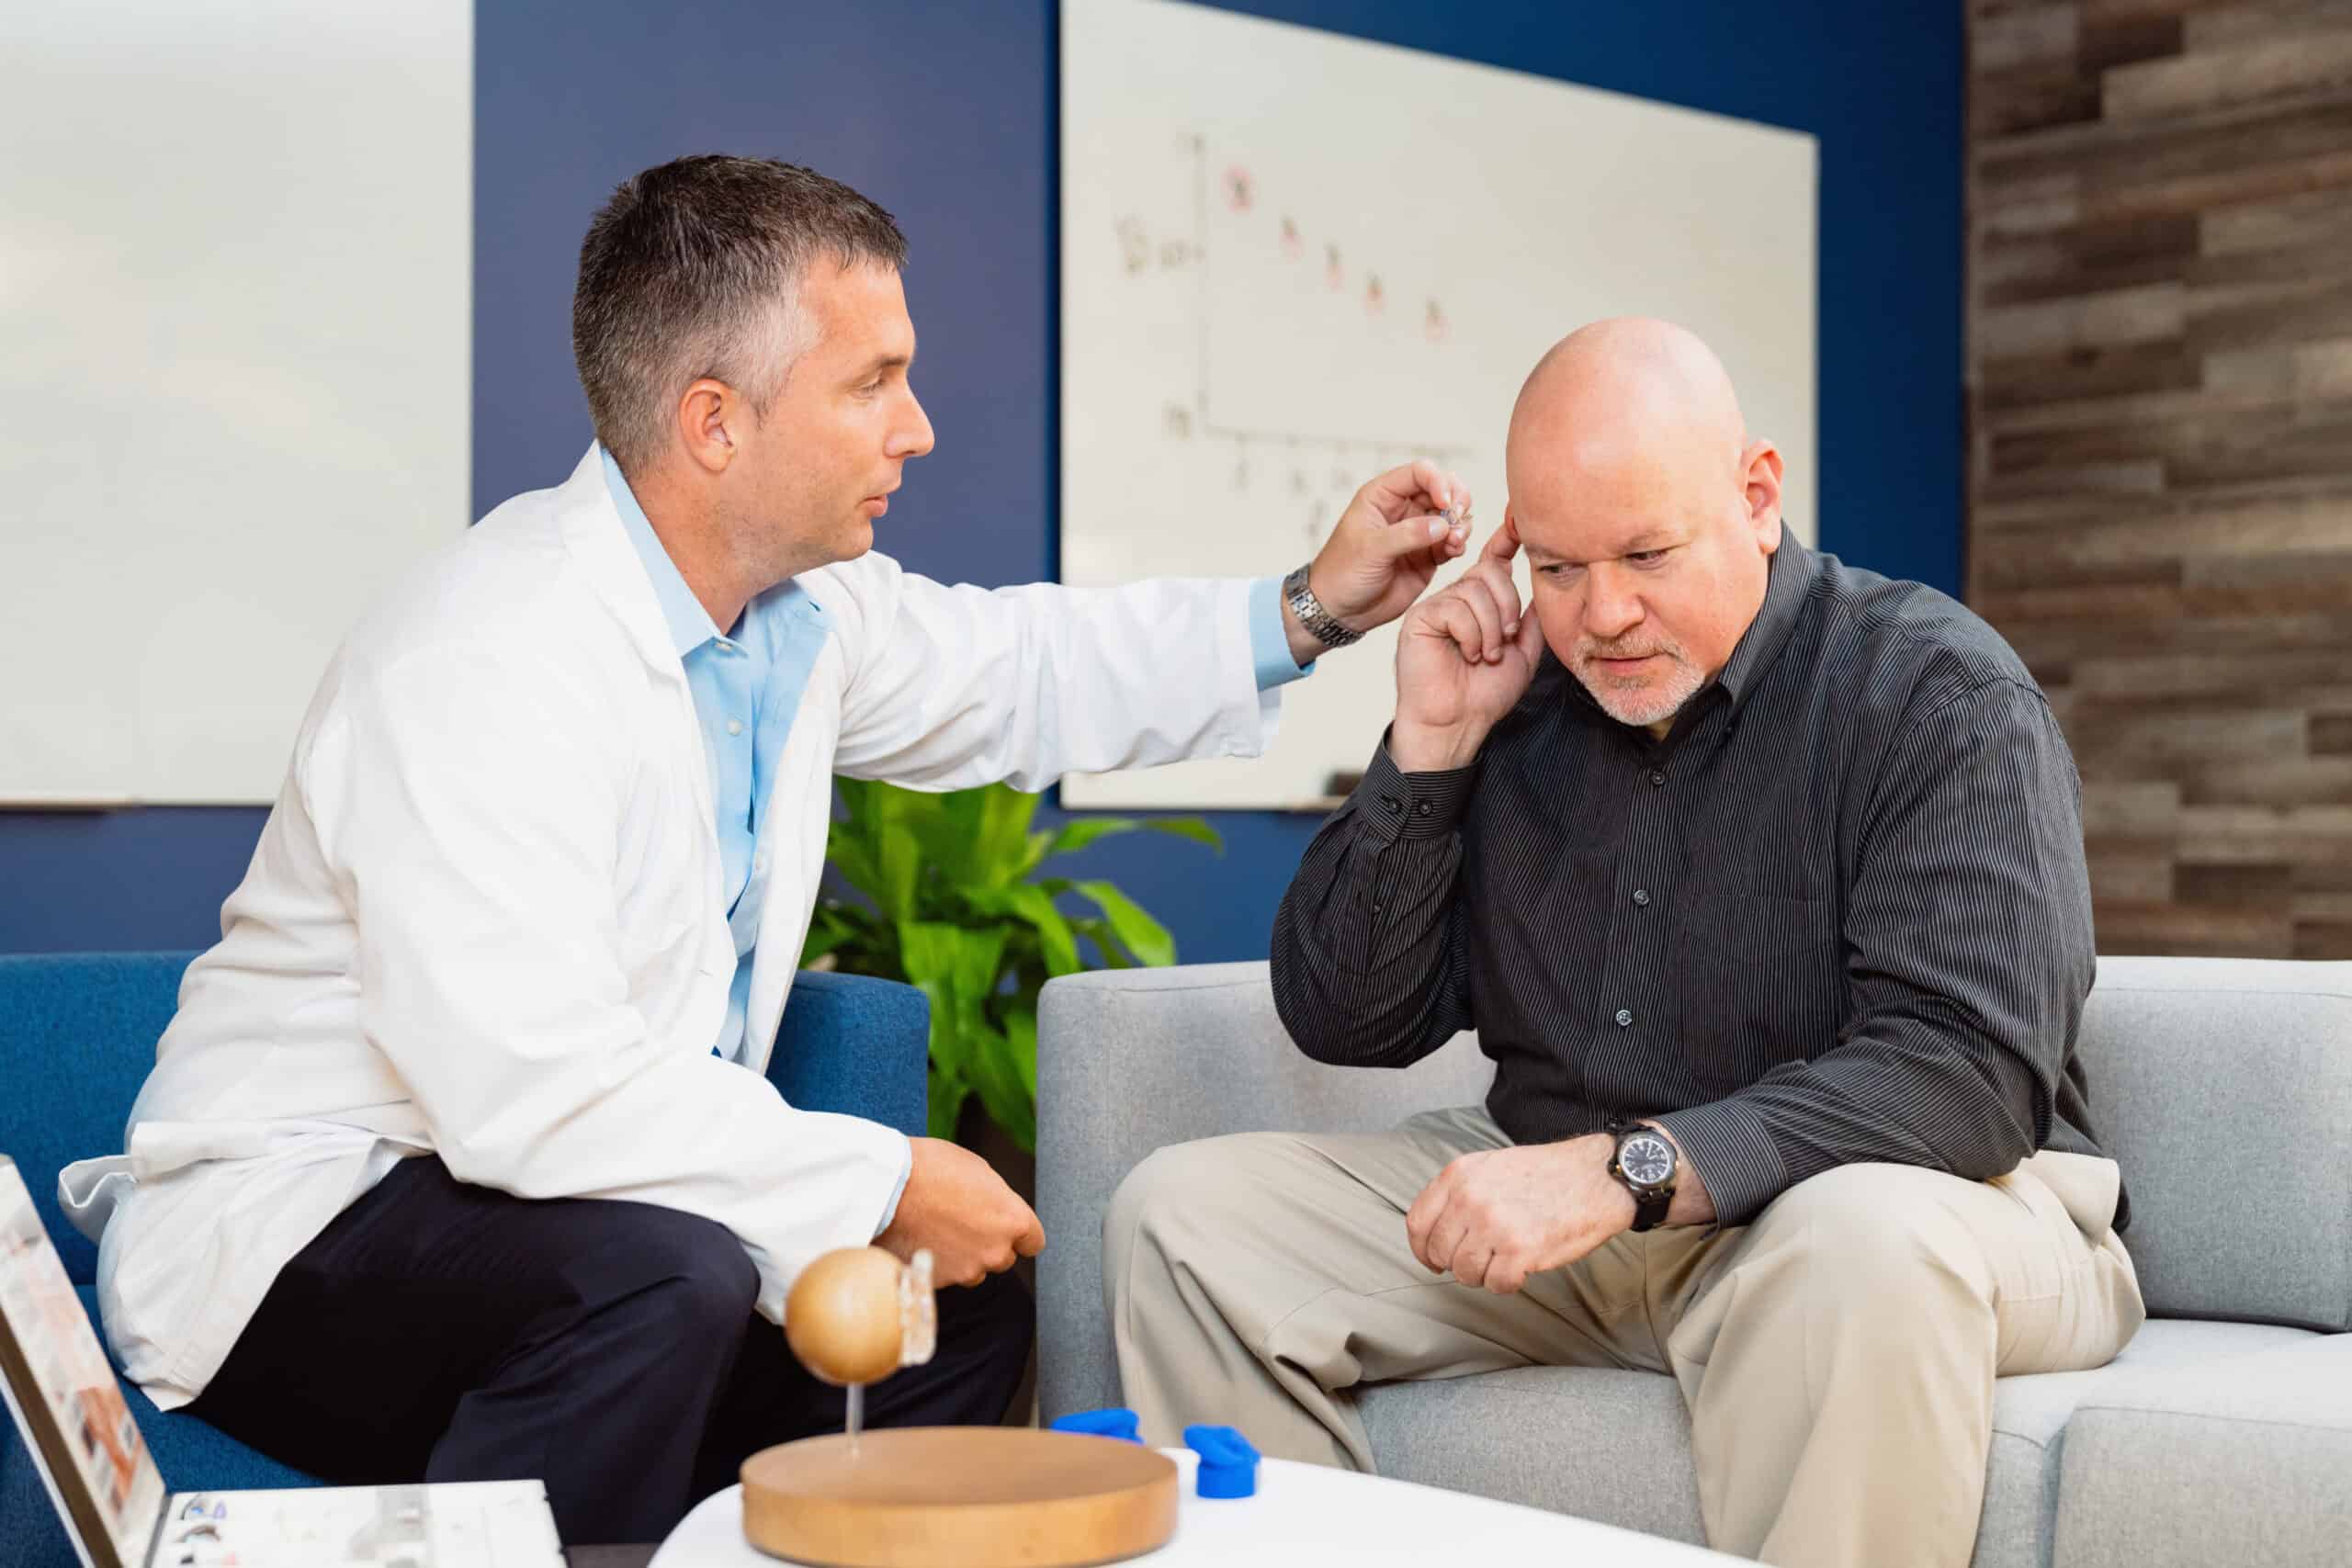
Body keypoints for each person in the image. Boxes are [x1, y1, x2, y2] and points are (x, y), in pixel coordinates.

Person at [57, 154, 1473, 1544]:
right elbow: (524, 1088)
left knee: (944, 1311)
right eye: (872, 384)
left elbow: (1021, 666)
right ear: (715, 422)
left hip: (555, 1203)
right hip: (311, 1222)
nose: (915, 428)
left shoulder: (798, 617)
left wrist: (1314, 605)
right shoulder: (485, 657)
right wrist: (879, 1178)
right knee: (656, 1279)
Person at [1105, 318, 2145, 1568]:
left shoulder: (1936, 696)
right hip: (1584, 1218)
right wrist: (1430, 747)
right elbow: (1344, 1017)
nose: (1603, 615)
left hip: (1906, 1207)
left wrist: (1625, 1170)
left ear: (1756, 496)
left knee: (1860, 1246)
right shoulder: (1516, 693)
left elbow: (1966, 1080)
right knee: (1185, 1220)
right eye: (1556, 567)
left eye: (1648, 554)